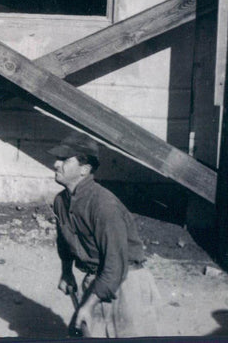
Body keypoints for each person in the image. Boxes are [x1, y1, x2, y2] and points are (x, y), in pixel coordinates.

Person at [50, 132, 159, 338]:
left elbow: (115, 266)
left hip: (127, 283)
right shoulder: (60, 201)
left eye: (64, 159)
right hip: (96, 279)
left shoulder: (103, 205)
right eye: (57, 158)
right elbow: (64, 242)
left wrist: (88, 306)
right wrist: (66, 272)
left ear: (84, 169)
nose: (56, 164)